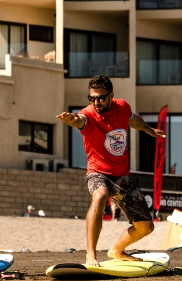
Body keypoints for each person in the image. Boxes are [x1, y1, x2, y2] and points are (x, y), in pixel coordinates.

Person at [57, 75, 166, 263]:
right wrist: (71, 119)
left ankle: (116, 251)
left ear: (111, 96)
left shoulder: (122, 107)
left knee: (146, 227)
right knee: (99, 196)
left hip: (122, 175)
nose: (96, 102)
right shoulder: (89, 115)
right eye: (92, 98)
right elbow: (79, 120)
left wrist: (149, 130)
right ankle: (90, 254)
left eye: (101, 97)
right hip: (98, 172)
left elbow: (134, 120)